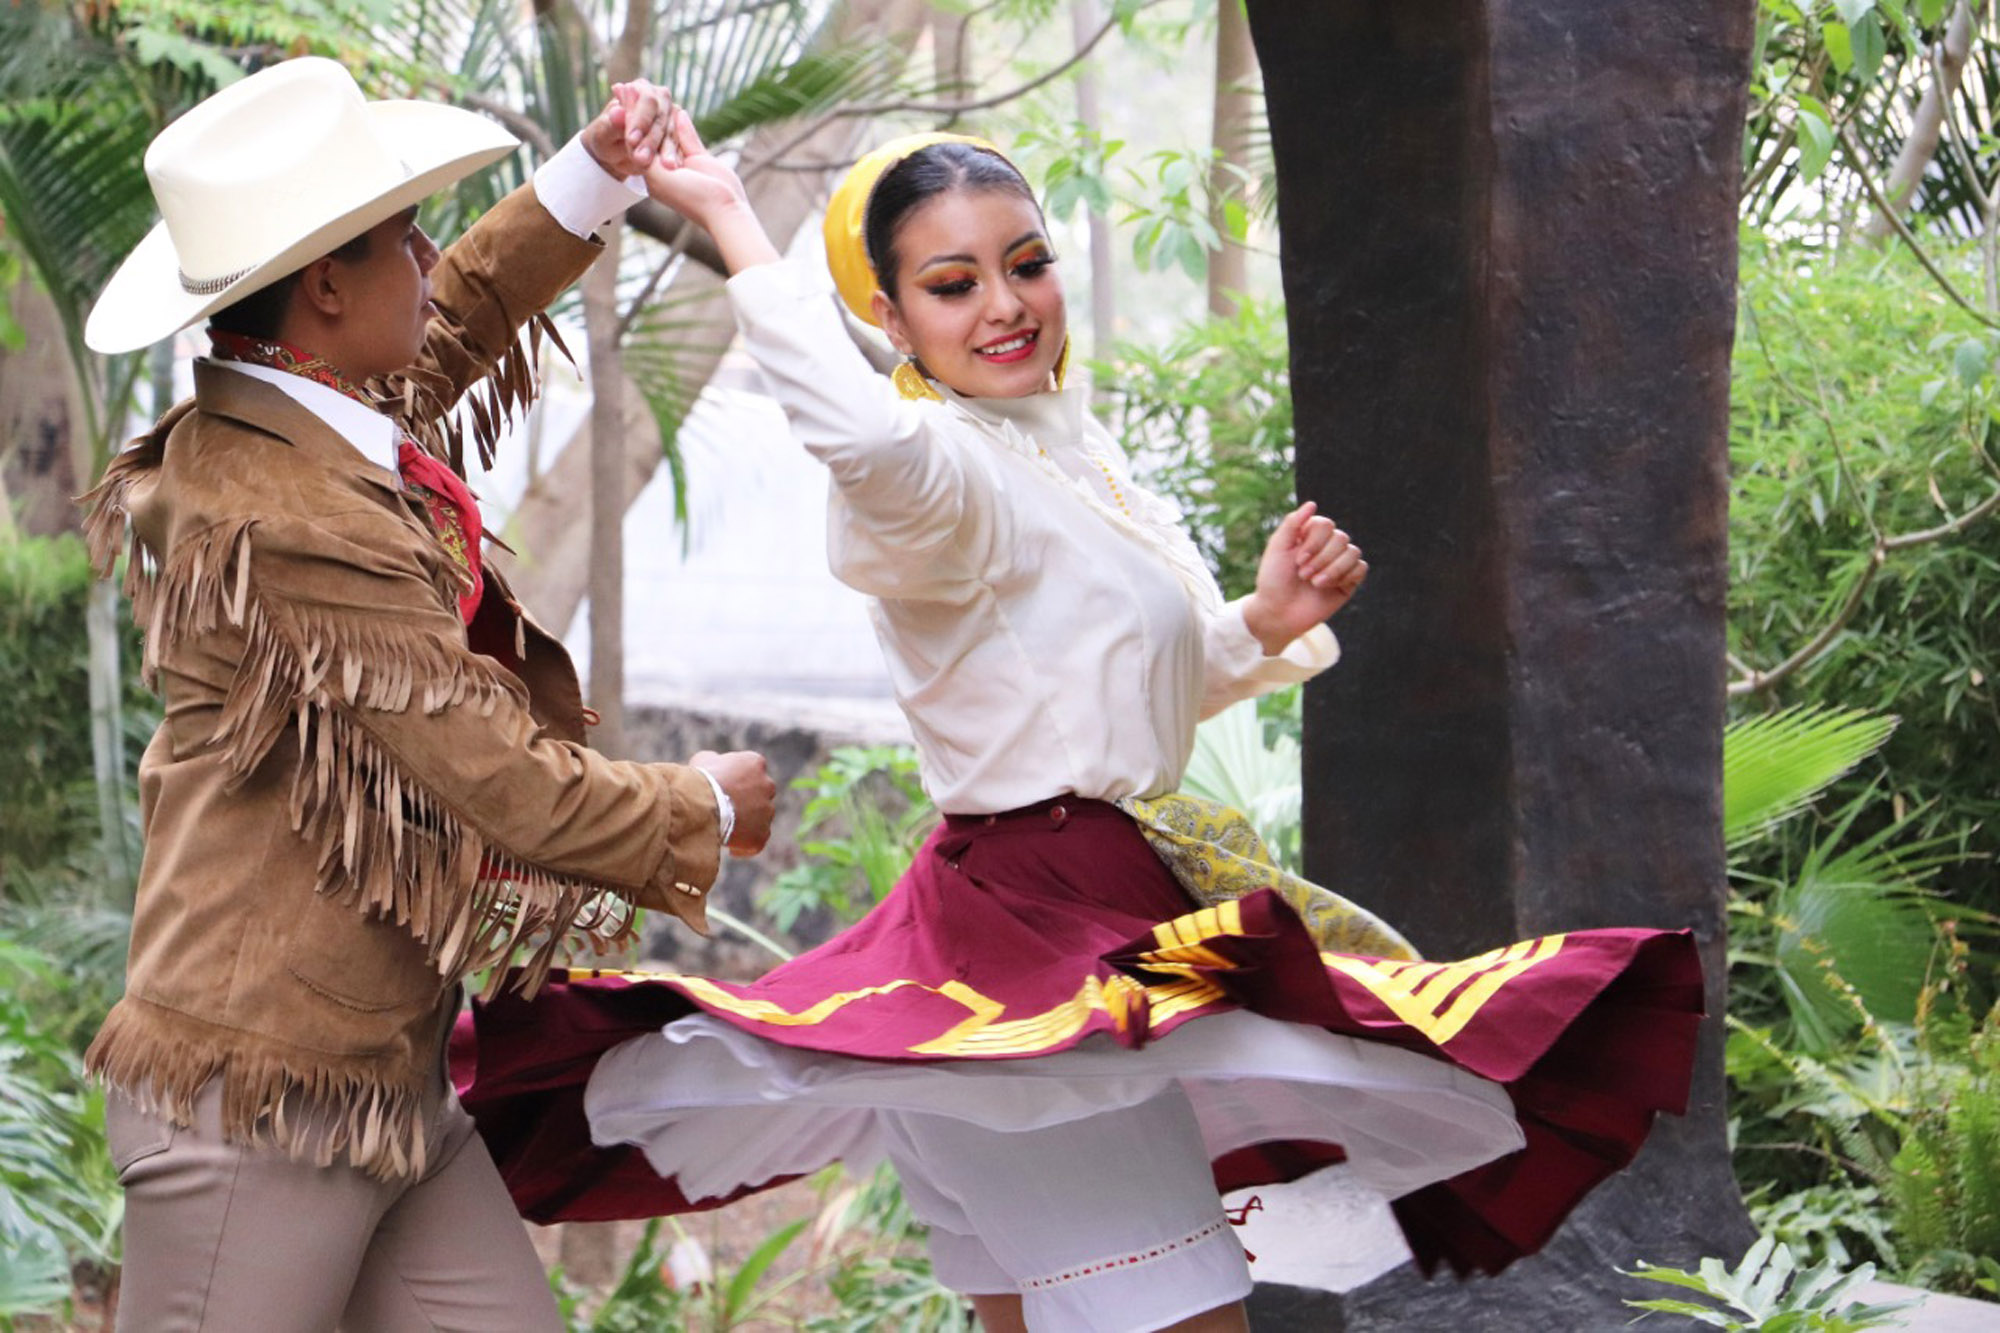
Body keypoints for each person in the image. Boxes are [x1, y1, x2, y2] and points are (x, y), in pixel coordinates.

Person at [457, 116, 1706, 1333]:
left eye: (1026, 263)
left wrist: (1260, 621)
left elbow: (1107, 699)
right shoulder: (935, 471)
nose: (1003, 304)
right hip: (1031, 939)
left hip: (1080, 913)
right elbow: (855, 435)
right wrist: (730, 215)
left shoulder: (1066, 447)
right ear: (887, 322)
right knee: (1184, 1310)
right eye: (951, 285)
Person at [77, 58, 777, 1333]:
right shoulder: (279, 507)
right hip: (258, 1097)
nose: (427, 252)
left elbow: (447, 315)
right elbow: (494, 775)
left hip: (381, 1074)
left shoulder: (307, 405)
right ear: (327, 289)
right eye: (403, 233)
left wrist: (592, 172)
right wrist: (700, 811)